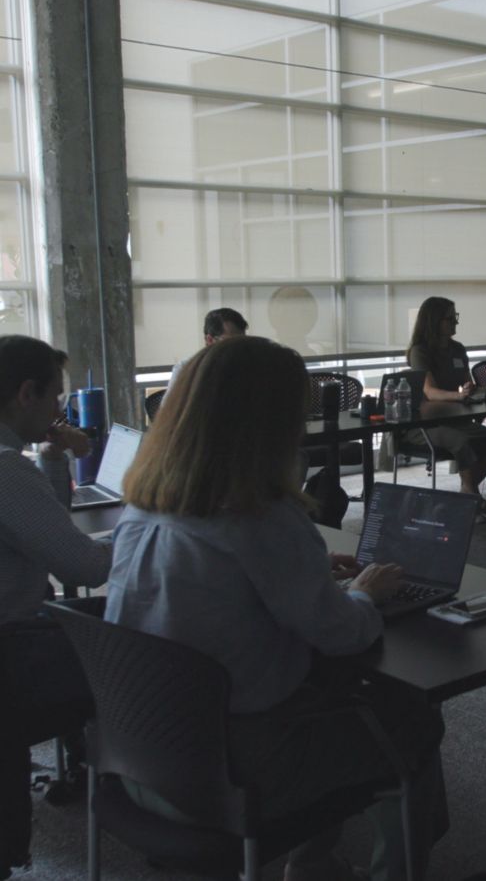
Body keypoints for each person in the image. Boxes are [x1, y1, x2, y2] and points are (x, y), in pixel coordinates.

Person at [104, 335, 447, 881]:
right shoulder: (262, 517)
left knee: (318, 692)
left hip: (139, 759)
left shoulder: (142, 507)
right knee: (413, 724)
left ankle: (318, 868)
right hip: (232, 771)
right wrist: (364, 592)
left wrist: (309, 575)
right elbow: (343, 634)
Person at [0, 335, 111, 874]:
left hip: (18, 631)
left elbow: (45, 530)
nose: (59, 411)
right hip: (11, 652)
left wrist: (51, 457)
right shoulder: (4, 470)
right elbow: (84, 568)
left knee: (93, 618)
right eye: (56, 399)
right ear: (27, 393)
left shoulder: (15, 467)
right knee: (135, 642)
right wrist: (145, 530)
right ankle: (151, 779)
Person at [404, 297, 486, 510]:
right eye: (450, 318)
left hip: (456, 418)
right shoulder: (420, 351)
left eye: (455, 317)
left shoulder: (458, 349)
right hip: (426, 423)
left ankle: (467, 494)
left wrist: (473, 390)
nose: (455, 322)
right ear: (434, 322)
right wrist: (459, 396)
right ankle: (472, 498)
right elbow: (429, 392)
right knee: (461, 441)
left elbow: (467, 382)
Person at [165, 307, 248, 394]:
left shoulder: (249, 368)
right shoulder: (185, 371)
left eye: (242, 341)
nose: (239, 347)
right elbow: (169, 407)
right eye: (231, 341)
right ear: (210, 340)